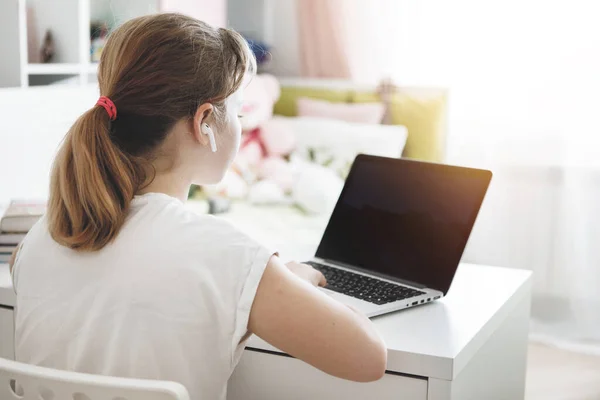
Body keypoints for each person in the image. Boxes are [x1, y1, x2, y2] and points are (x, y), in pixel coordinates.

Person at [9, 13, 386, 399]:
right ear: (204, 121)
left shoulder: (41, 240)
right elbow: (369, 358)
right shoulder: (223, 255)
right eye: (237, 113)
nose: (239, 125)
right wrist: (284, 282)